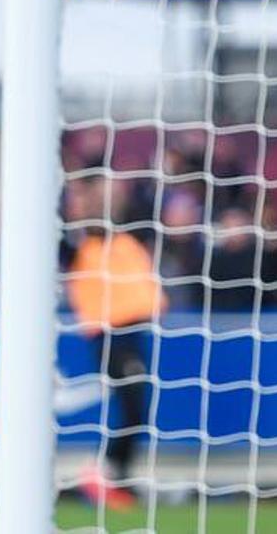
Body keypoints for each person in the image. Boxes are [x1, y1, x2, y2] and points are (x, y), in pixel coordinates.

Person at [66, 217, 167, 510]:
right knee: (133, 406)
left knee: (135, 409)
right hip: (111, 336)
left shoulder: (125, 244)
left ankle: (114, 475)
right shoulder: (86, 250)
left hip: (133, 333)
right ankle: (104, 471)